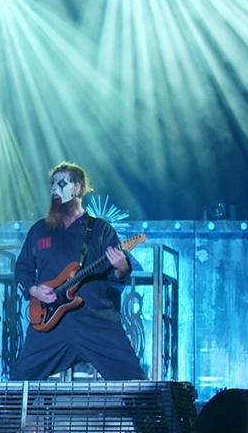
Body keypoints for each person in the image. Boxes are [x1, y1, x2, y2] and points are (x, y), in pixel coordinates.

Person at [12, 161, 147, 381]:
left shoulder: (101, 229)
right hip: (50, 324)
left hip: (95, 321)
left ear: (78, 188)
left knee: (135, 382)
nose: (55, 189)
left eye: (62, 183)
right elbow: (23, 268)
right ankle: (5, 417)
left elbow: (117, 277)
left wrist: (122, 267)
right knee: (20, 382)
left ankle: (154, 415)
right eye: (52, 184)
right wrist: (34, 290)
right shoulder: (39, 230)